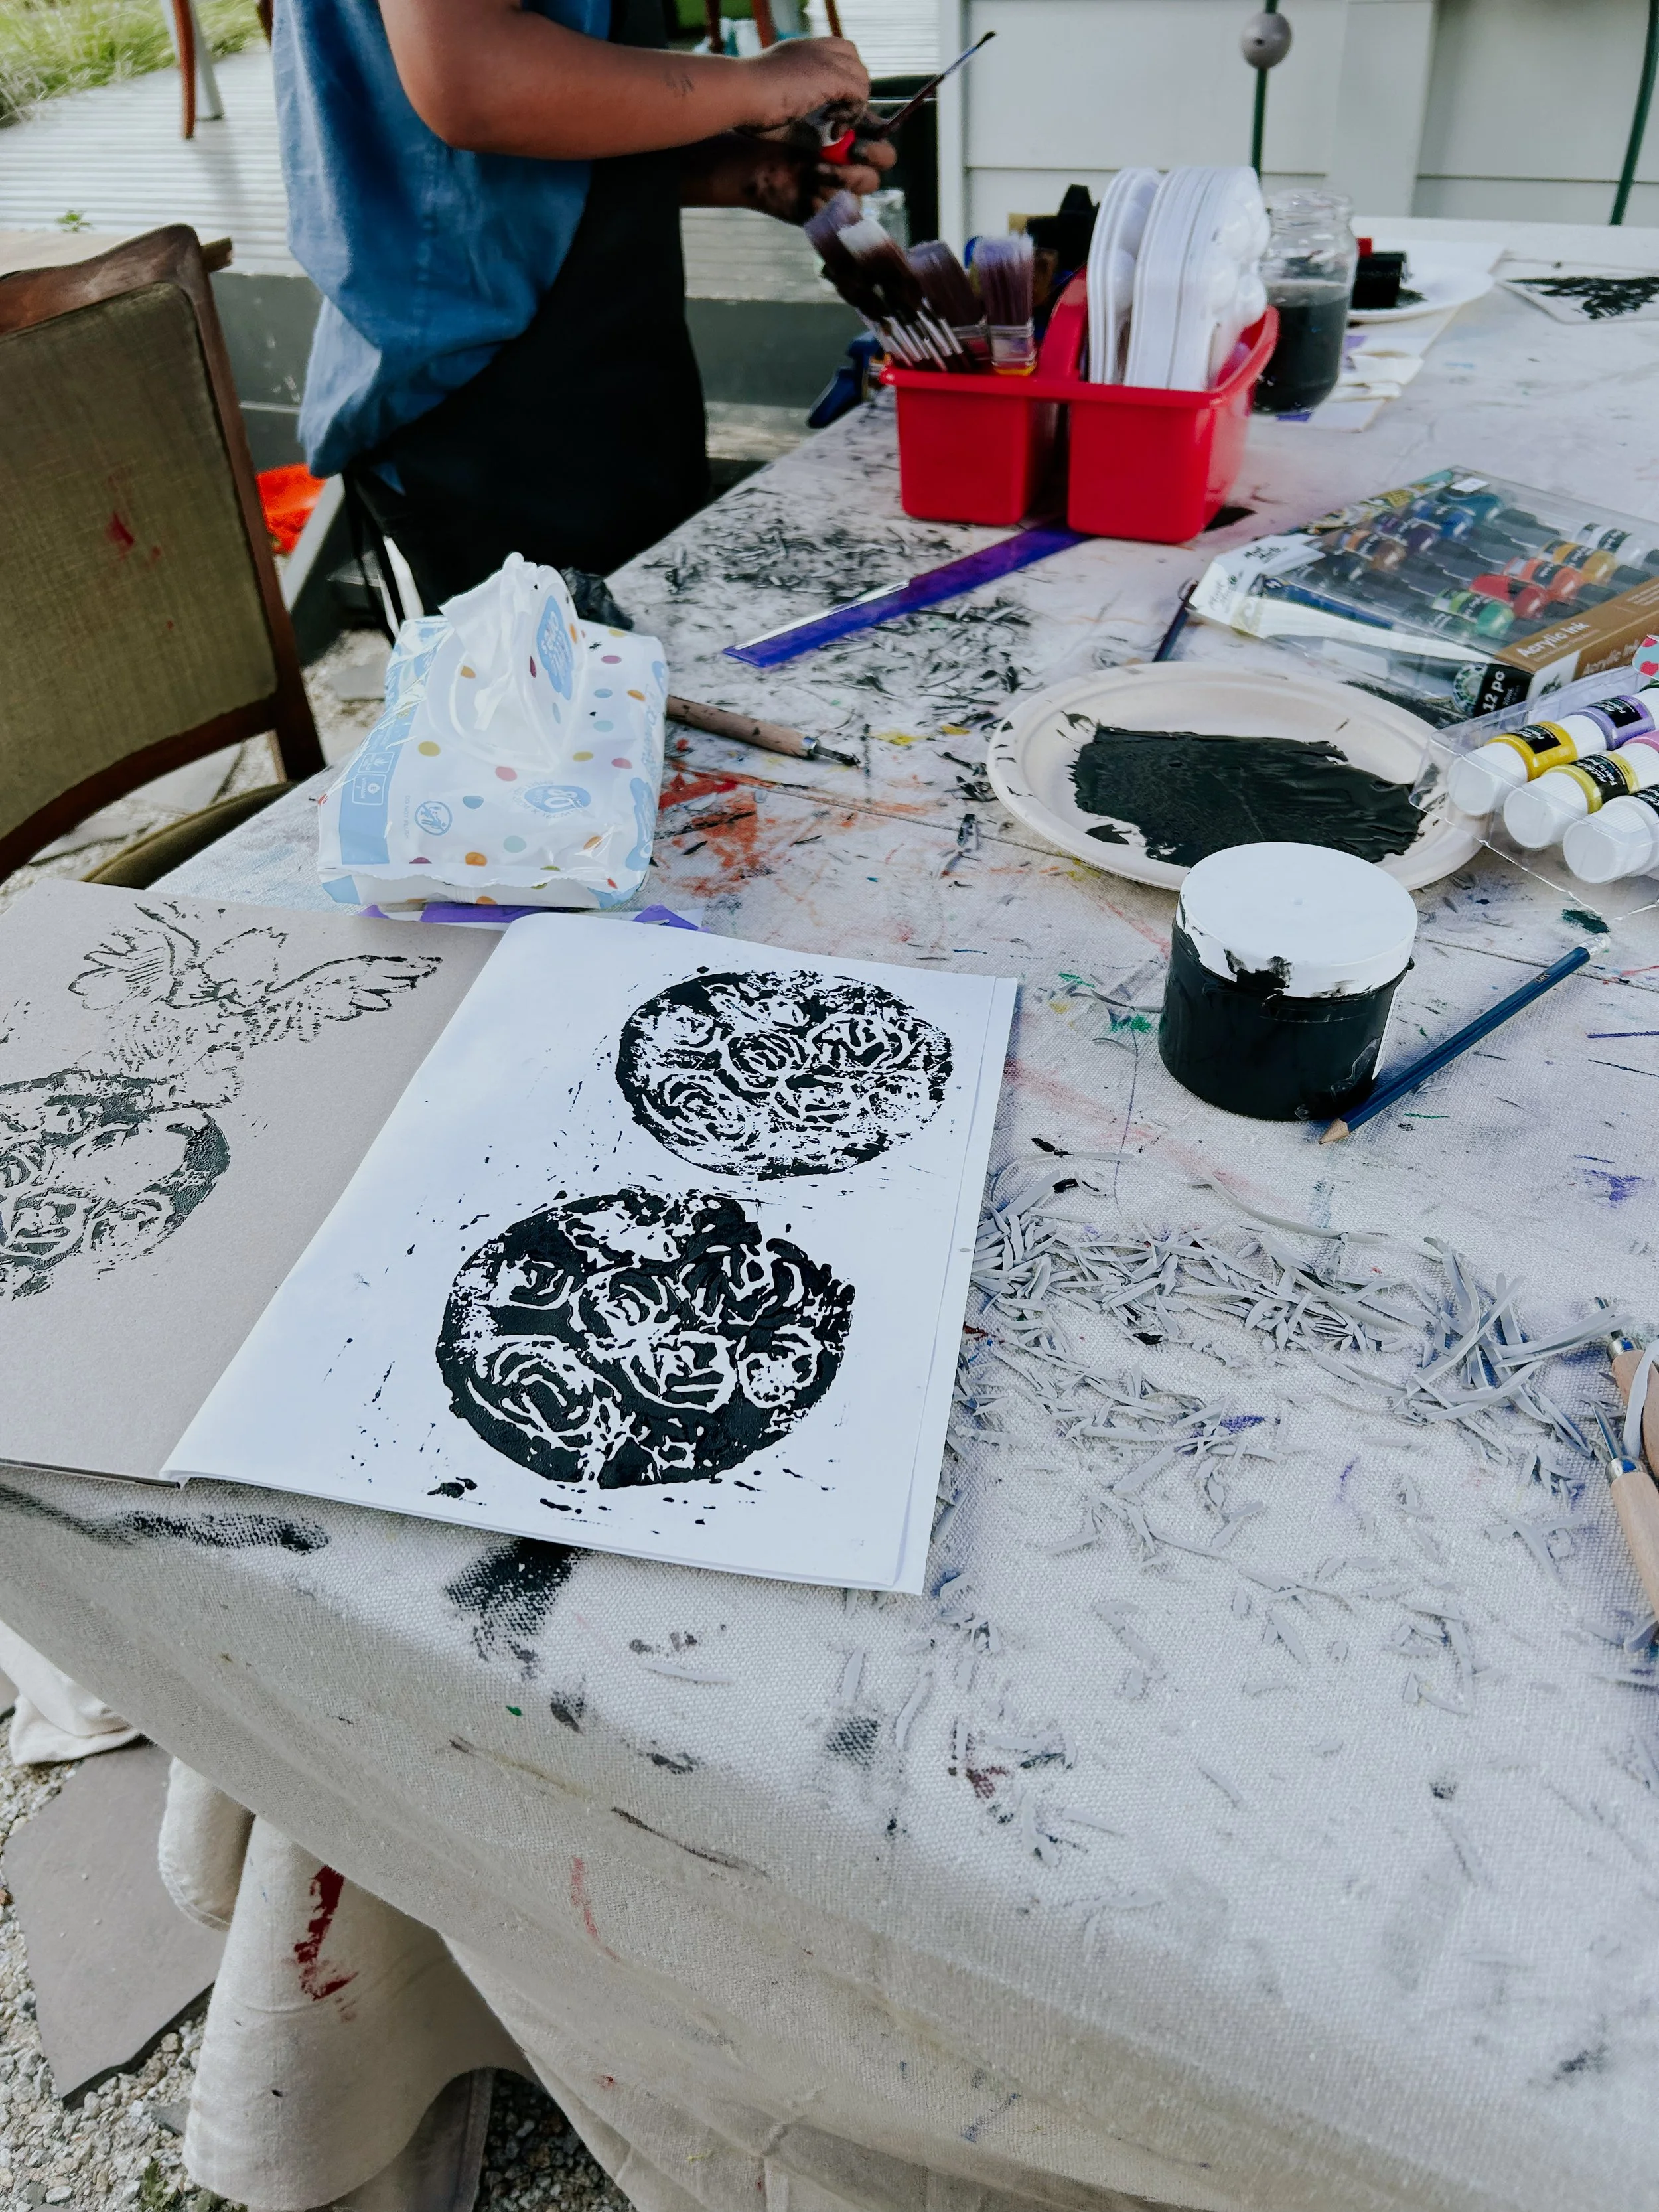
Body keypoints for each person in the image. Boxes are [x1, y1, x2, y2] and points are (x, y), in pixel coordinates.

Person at [275, 0, 894, 608]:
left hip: (618, 357)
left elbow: (560, 105)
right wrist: (757, 85)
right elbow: (474, 79)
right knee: (556, 695)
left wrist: (738, 171)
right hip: (477, 394)